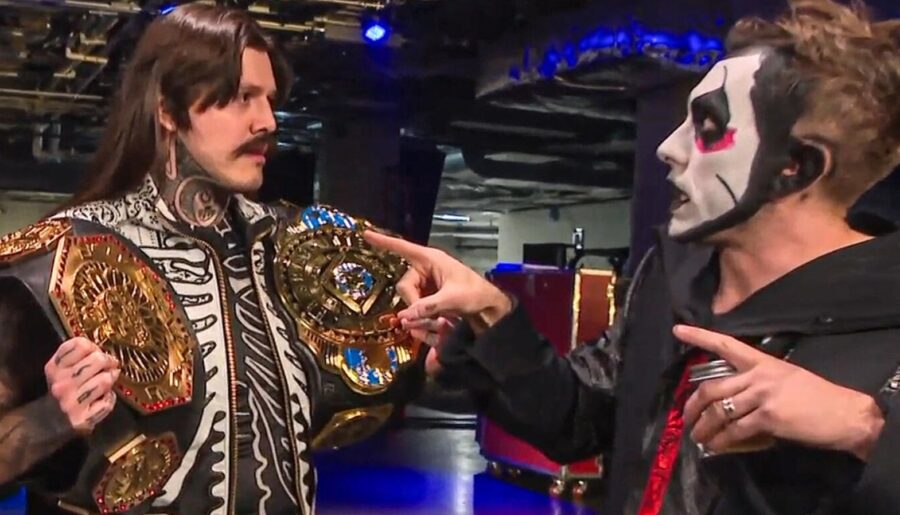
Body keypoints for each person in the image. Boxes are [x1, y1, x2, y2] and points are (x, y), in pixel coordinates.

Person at [365, 1, 900, 513]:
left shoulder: (885, 323)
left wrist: (869, 429)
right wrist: (489, 315)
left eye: (707, 129)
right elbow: (578, 417)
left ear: (798, 166)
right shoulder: (674, 274)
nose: (669, 148)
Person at [0, 4, 419, 514]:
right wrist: (51, 419)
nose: (268, 122)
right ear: (168, 110)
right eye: (242, 98)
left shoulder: (294, 250)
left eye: (270, 100)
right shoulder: (59, 259)